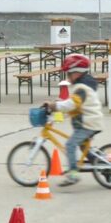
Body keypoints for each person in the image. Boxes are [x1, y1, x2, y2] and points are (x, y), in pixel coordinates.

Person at [44, 54, 103, 187]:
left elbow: (70, 105)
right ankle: (102, 165)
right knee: (84, 148)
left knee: (70, 145)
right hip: (89, 122)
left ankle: (73, 174)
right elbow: (72, 108)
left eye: (69, 73)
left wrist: (54, 106)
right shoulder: (82, 86)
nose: (67, 77)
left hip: (88, 123)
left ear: (77, 73)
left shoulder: (81, 89)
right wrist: (56, 117)